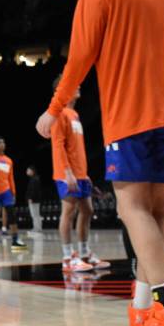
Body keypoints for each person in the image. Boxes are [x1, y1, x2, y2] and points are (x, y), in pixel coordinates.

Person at [36, 0, 164, 326]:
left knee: (131, 210)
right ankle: (143, 311)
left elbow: (80, 56)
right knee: (157, 212)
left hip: (130, 117)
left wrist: (54, 108)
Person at [51, 82, 107, 272]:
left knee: (88, 210)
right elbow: (58, 145)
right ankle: (67, 258)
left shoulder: (74, 115)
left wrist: (84, 174)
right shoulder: (58, 113)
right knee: (68, 212)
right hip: (66, 173)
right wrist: (67, 172)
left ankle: (84, 253)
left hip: (80, 173)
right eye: (72, 84)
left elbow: (76, 149)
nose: (77, 86)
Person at [0, 136, 26, 251]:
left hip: (6, 191)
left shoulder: (9, 160)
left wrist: (13, 192)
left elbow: (10, 177)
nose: (2, 144)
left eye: (3, 142)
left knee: (12, 214)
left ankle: (15, 240)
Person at [25, 166, 43, 235]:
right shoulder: (35, 179)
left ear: (32, 171)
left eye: (28, 170)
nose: (27, 172)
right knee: (36, 214)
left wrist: (31, 198)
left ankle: (36, 228)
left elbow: (33, 190)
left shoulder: (34, 179)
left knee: (34, 214)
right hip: (36, 200)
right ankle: (38, 228)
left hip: (34, 200)